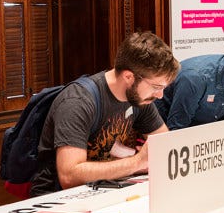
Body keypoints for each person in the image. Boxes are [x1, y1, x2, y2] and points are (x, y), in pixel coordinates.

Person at [29, 31, 181, 196]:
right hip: (59, 200)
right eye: (157, 87)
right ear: (129, 77)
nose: (160, 96)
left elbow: (165, 146)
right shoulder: (78, 101)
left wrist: (151, 158)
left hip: (108, 191)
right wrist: (137, 162)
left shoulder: (140, 99)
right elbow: (69, 176)